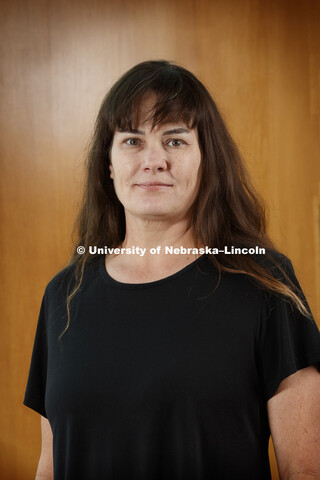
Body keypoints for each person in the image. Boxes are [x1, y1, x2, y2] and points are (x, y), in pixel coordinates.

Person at [23, 60, 320, 480]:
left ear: (206, 160)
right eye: (132, 141)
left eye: (175, 141)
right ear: (108, 165)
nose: (154, 160)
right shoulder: (63, 295)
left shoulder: (265, 283)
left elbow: (305, 470)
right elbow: (49, 466)